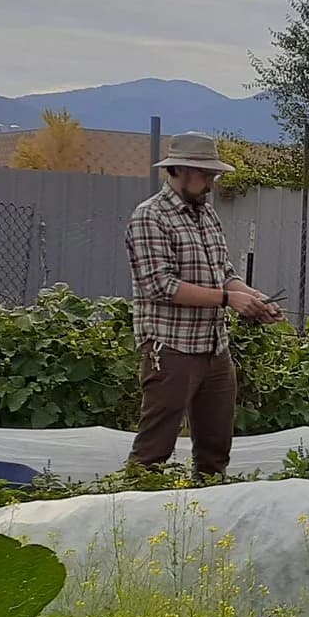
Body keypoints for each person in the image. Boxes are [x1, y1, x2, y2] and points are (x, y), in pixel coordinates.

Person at [124, 134, 282, 479]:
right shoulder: (150, 217)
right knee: (154, 450)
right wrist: (228, 299)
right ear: (180, 170)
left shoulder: (206, 214)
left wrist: (254, 299)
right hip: (172, 347)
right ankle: (128, 514)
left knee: (215, 449)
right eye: (205, 174)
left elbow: (223, 273)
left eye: (213, 175)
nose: (211, 183)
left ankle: (205, 516)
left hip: (214, 347)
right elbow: (160, 285)